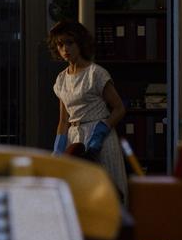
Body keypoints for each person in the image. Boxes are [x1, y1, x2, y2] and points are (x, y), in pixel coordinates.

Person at [48, 20, 128, 204]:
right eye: (60, 44)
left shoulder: (96, 73)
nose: (65, 48)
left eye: (70, 42)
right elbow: (63, 119)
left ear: (80, 43)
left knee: (108, 193)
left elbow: (119, 108)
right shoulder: (61, 79)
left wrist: (101, 131)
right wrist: (58, 148)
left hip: (100, 137)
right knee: (79, 196)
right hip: (74, 139)